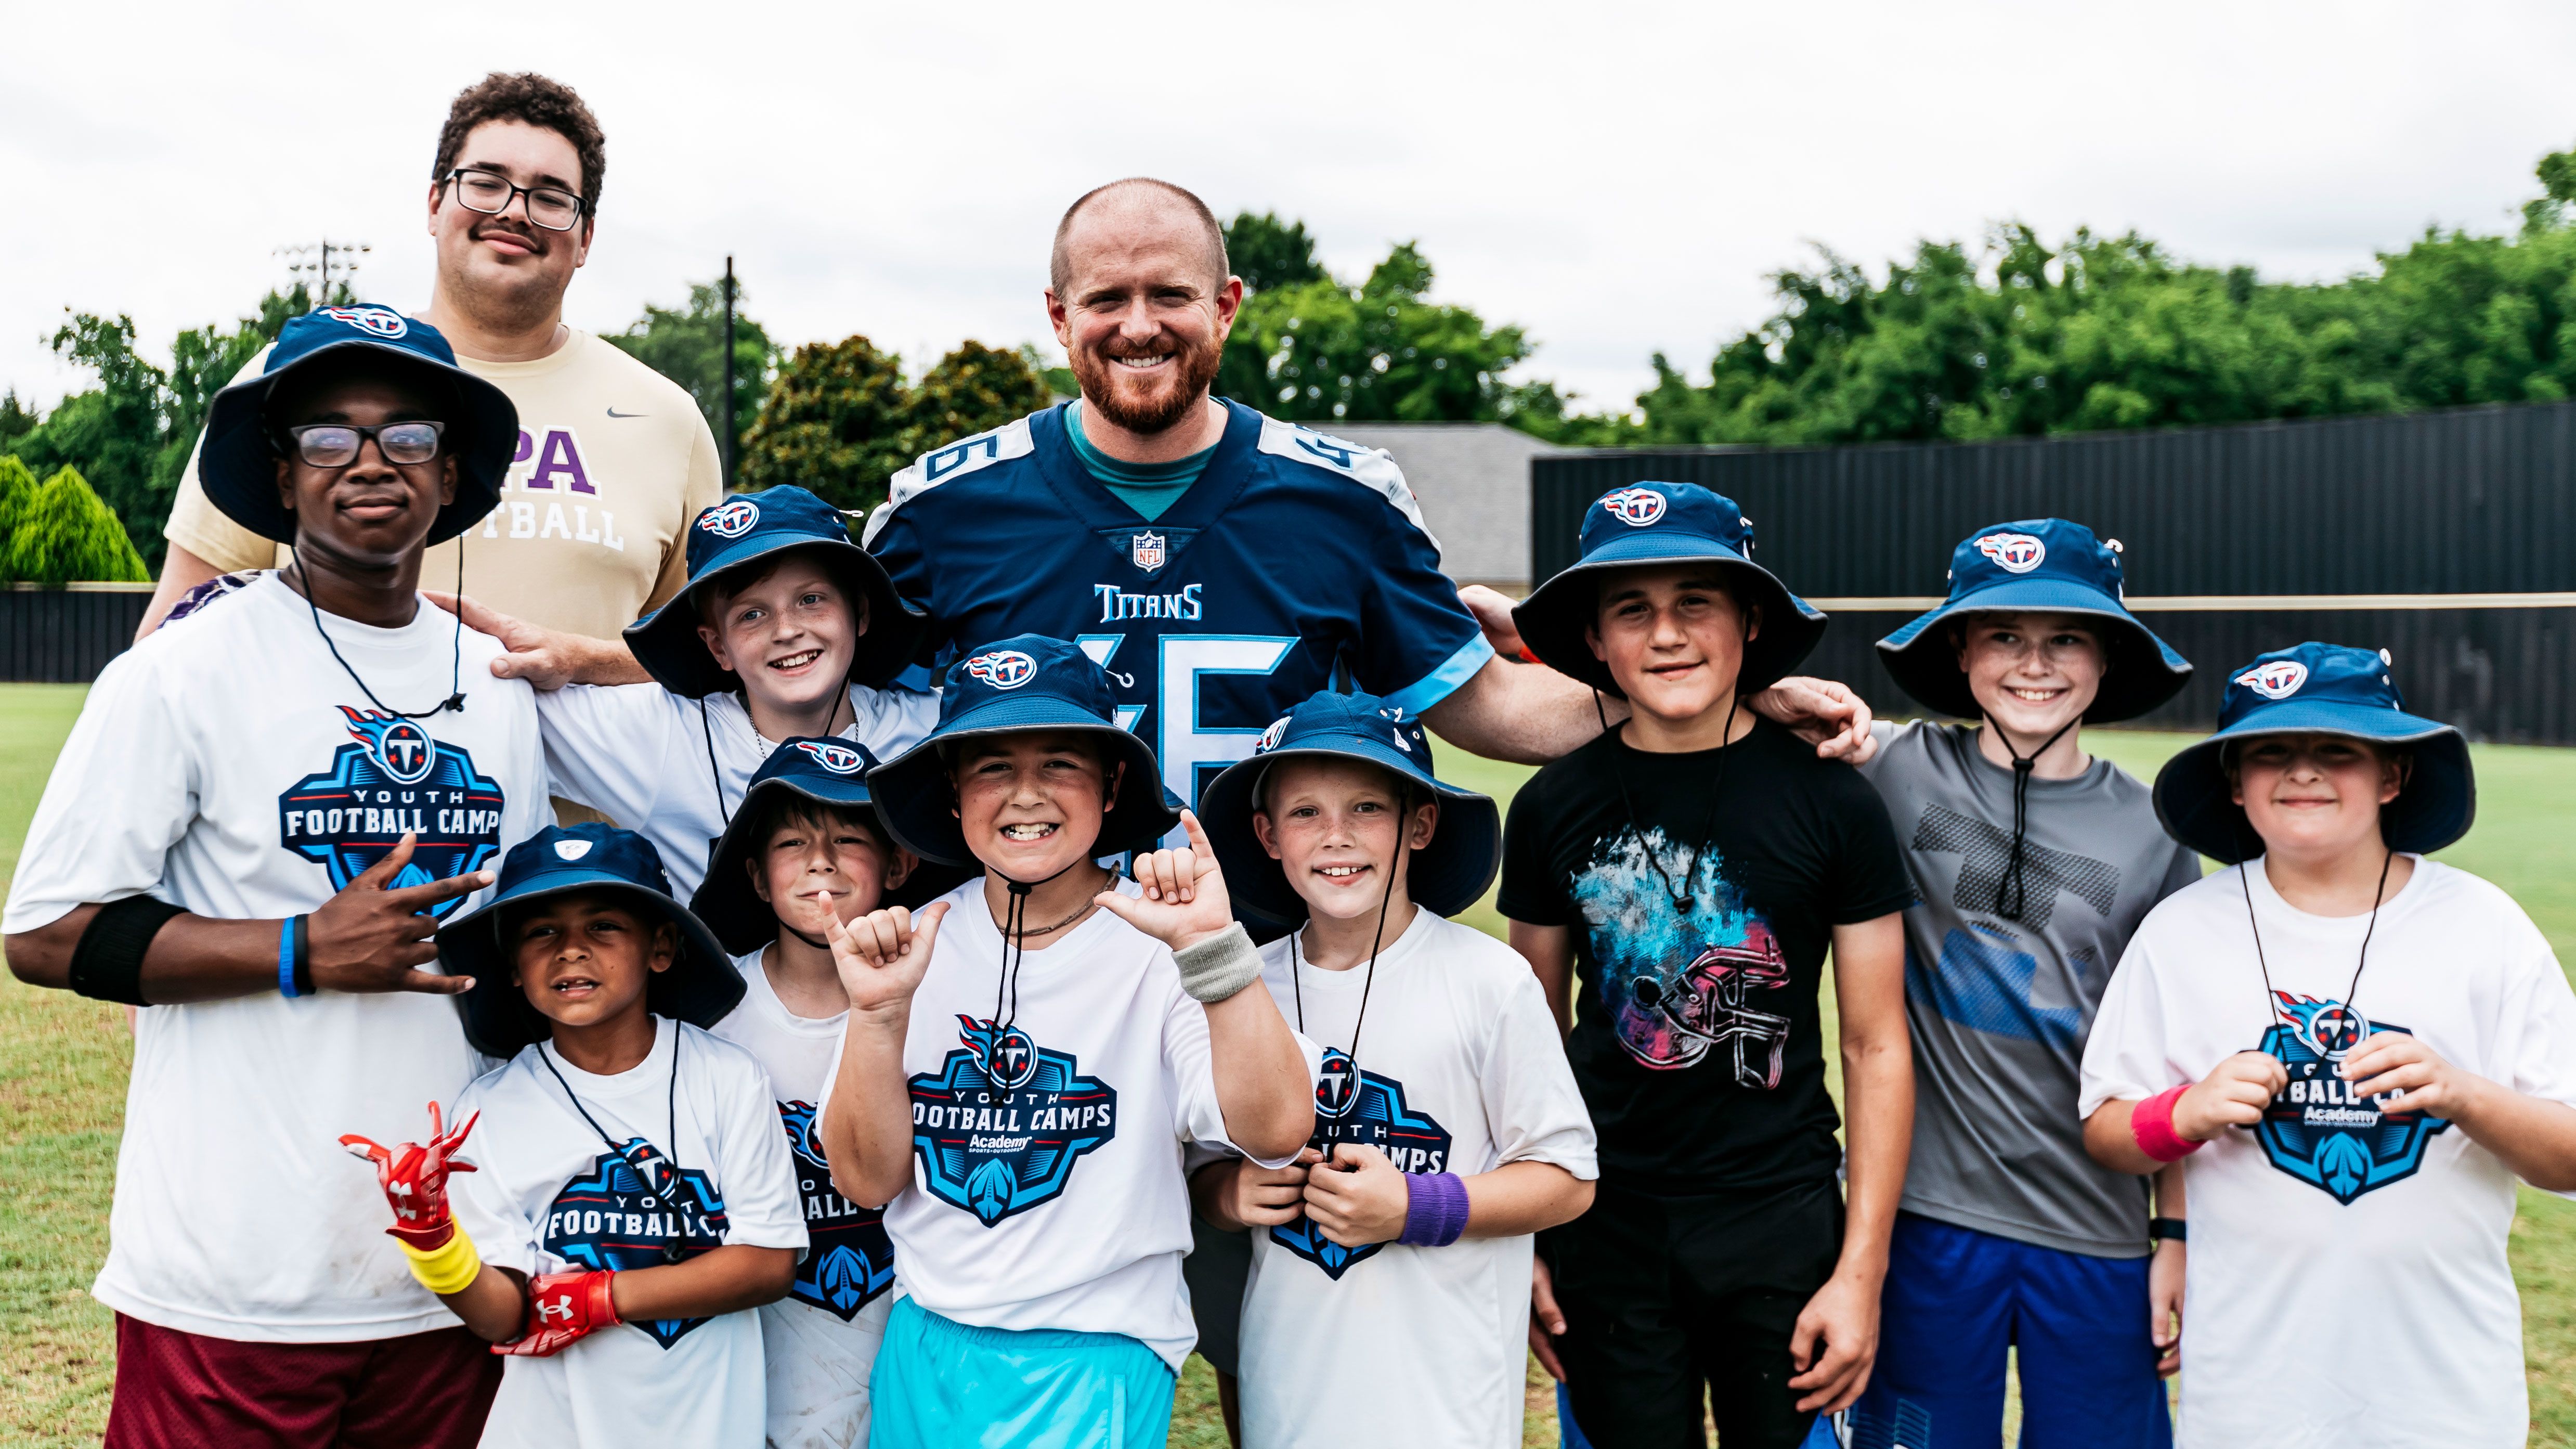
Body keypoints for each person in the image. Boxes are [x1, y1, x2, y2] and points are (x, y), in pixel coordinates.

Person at [1, 304, 552, 1447]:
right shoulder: (183, 673)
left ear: (449, 474)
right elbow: (46, 932)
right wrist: (300, 947)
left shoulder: (499, 689)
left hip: (450, 1278)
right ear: (279, 473)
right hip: (232, 1278)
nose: (367, 462)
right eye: (326, 436)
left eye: (405, 436)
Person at [812, 635, 1316, 1447]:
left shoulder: (1161, 944)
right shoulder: (913, 946)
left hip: (1096, 1345)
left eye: (1059, 763)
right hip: (926, 1335)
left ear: (1112, 784)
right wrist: (876, 1017)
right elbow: (868, 1181)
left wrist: (1214, 953)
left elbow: (1277, 1129)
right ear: (949, 793)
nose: (1024, 795)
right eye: (989, 767)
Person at [1498, 481, 1915, 1447]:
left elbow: (1875, 1042)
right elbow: (1529, 1039)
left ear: (1750, 619)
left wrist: (1859, 1271)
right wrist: (1527, 1233)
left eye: (1696, 601)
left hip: (1781, 1221)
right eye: (1631, 610)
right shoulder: (1551, 806)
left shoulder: (1833, 803)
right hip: (1605, 1223)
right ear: (1594, 641)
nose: (1667, 634)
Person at [2080, 642, 2576, 1448]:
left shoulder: (2482, 928)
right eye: (2270, 751)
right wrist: (2188, 1110)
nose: (2301, 771)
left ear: (2391, 776)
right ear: (2235, 786)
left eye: (2336, 750)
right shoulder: (2182, 930)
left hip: (2444, 1391)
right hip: (2252, 1388)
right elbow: (2106, 1126)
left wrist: (2461, 1093)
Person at [145, 70, 720, 689]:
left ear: (585, 237)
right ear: (433, 204)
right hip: (330, 781)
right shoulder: (298, 378)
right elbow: (170, 643)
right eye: (485, 183)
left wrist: (584, 661)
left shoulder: (667, 419)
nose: (514, 211)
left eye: (551, 197)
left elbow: (717, 654)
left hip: (584, 792)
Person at [1837, 520, 2198, 1449]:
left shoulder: (2152, 831)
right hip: (1923, 1222)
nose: (2032, 664)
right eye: (2002, 635)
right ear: (1959, 651)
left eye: (2065, 637)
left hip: (2095, 1227)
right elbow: (1715, 701)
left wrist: (2175, 1238)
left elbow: (2169, 1059)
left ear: (2106, 655)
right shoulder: (1889, 767)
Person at [1189, 690, 1597, 1448]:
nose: (1336, 836)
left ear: (1419, 823)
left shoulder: (1489, 980)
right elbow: (1201, 1178)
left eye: (1367, 808)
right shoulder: (1240, 990)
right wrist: (1232, 1191)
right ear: (1266, 834)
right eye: (1304, 812)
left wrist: (1413, 1204)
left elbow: (1567, 1178)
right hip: (1290, 1388)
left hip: (1446, 1399)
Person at [366, 822, 802, 1447]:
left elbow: (768, 1263)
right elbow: (503, 1313)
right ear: (512, 966)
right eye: (542, 932)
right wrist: (432, 1238)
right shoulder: (492, 1108)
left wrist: (601, 1297)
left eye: (603, 925)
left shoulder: (726, 1077)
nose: (571, 949)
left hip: (709, 1427)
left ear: (661, 947)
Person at [536, 484, 935, 895]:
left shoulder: (934, 730)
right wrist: (577, 660)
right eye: (752, 615)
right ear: (718, 647)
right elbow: (490, 697)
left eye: (811, 599)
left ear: (861, 613)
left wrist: (590, 659)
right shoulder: (663, 735)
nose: (787, 631)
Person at [692, 738, 918, 1447]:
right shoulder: (706, 1009)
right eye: (793, 841)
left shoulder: (945, 994)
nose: (821, 859)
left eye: (849, 837)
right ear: (757, 878)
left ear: (900, 863)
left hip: (912, 1348)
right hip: (756, 1355)